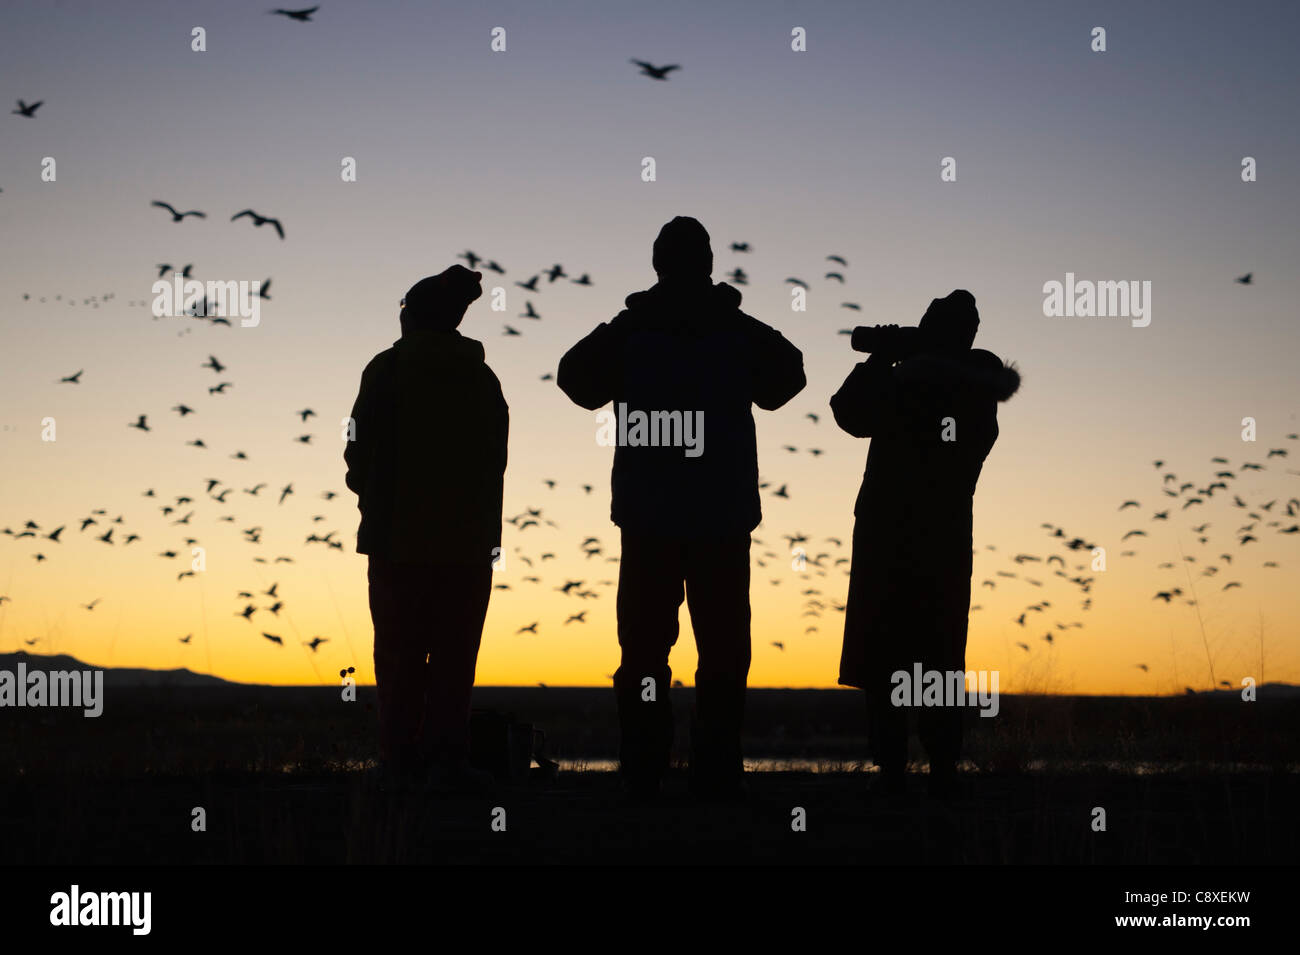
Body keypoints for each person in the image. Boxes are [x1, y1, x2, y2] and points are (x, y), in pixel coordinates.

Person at [557, 216, 806, 800]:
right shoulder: (736, 331)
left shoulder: (632, 331)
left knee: (643, 650)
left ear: (657, 265)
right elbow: (788, 378)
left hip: (649, 519)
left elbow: (573, 377)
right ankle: (717, 770)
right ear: (709, 264)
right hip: (720, 518)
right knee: (722, 649)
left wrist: (629, 326)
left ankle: (644, 768)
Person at [829, 290, 1019, 801]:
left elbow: (847, 413)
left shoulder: (908, 387)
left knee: (887, 650)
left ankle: (895, 768)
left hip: (889, 537)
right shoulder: (978, 389)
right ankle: (941, 768)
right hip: (945, 541)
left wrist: (883, 359)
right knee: (938, 654)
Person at [344, 265, 508, 791]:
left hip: (396, 543)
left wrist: (367, 487)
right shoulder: (482, 378)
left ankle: (399, 764)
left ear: (412, 317)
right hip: (468, 547)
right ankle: (448, 763)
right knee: (456, 657)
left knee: (399, 655)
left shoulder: (385, 370)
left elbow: (356, 444)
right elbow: (496, 458)